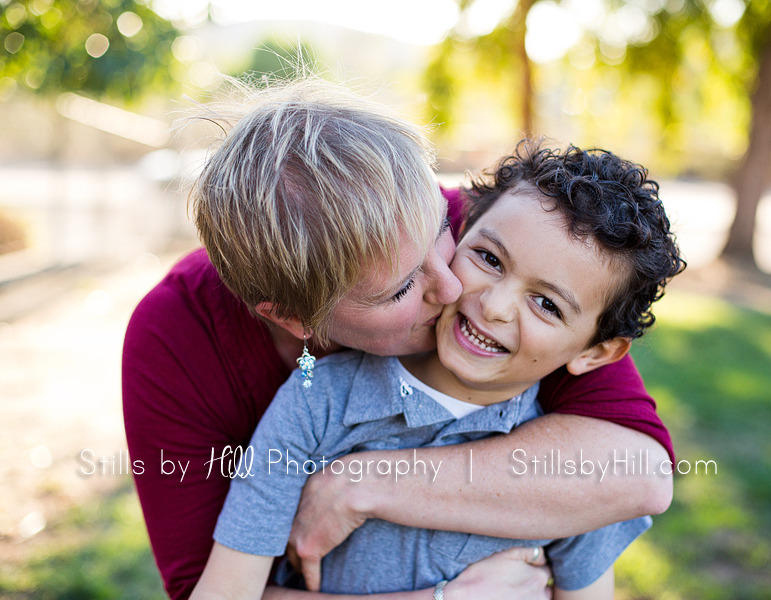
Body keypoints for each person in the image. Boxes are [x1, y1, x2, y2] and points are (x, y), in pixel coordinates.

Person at [122, 78, 676, 600]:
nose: (461, 287)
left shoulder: (494, 237)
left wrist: (364, 484)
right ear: (295, 317)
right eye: (403, 287)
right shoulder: (293, 395)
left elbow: (641, 476)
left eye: (443, 231)